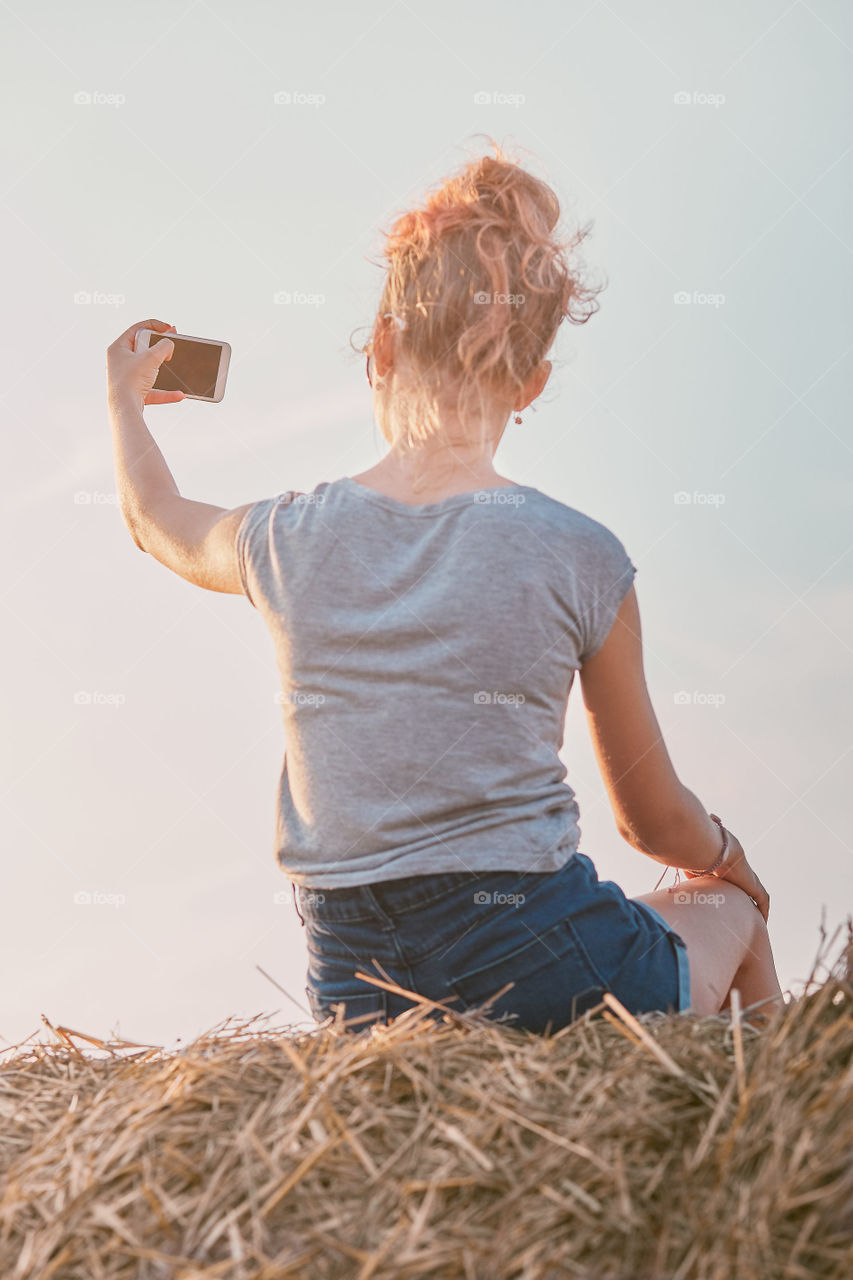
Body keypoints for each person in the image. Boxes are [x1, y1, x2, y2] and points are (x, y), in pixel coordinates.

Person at [106, 139, 784, 1037]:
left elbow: (156, 521)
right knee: (729, 913)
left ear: (381, 347)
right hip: (546, 961)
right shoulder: (581, 554)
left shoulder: (286, 537)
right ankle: (775, 1150)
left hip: (358, 990)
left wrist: (122, 399)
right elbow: (653, 822)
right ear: (534, 383)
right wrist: (729, 864)